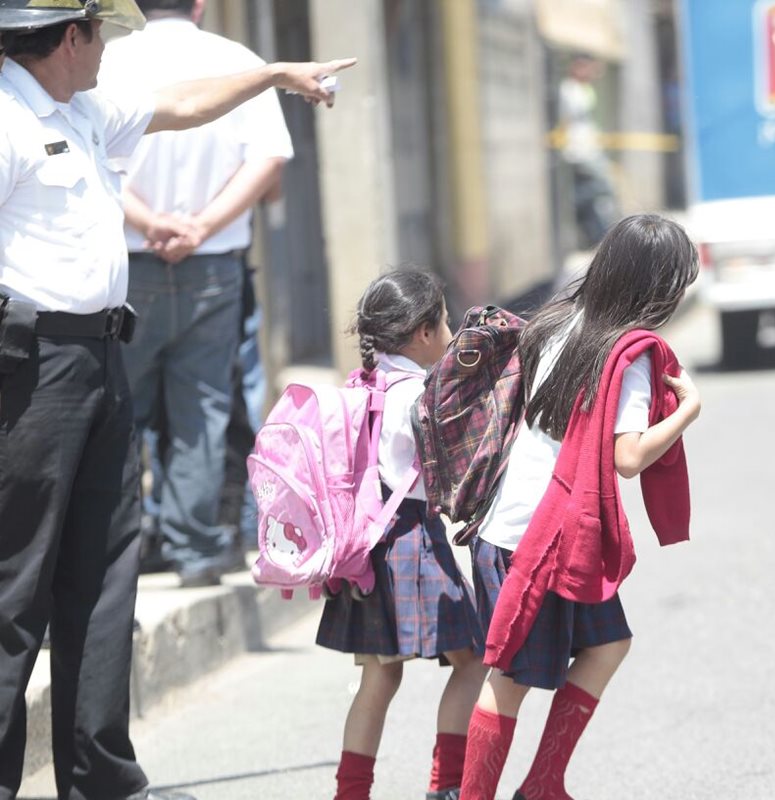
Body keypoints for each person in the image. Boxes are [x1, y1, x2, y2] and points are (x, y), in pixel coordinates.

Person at [0, 0, 353, 795]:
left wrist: (270, 74)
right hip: (28, 369)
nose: (107, 52)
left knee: (102, 580)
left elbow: (186, 103)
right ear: (69, 37)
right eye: (100, 34)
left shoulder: (80, 107)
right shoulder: (6, 120)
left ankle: (100, 777)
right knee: (16, 588)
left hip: (98, 358)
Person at [458, 214, 701, 800]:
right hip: (542, 537)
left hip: (519, 523)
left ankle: (544, 784)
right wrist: (689, 407)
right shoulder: (628, 353)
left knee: (607, 643)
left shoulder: (559, 321)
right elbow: (629, 457)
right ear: (656, 286)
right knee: (510, 678)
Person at [97, 0, 295, 587]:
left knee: (118, 411)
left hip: (130, 261)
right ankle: (196, 547)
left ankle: (120, 551)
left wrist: (151, 222)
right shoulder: (238, 60)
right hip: (214, 262)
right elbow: (269, 157)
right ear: (201, 5)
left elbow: (93, 155)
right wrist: (202, 226)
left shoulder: (107, 59)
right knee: (202, 406)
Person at [316, 269, 488, 800]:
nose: (450, 329)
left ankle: (351, 793)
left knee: (379, 678)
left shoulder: (364, 384)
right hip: (412, 543)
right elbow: (441, 473)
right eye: (443, 321)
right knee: (473, 661)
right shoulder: (419, 394)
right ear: (421, 332)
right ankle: (447, 786)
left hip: (366, 547)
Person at [558, 54, 617, 248]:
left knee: (596, 194)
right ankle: (601, 234)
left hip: (589, 149)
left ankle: (598, 233)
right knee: (602, 189)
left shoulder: (585, 89)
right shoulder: (568, 90)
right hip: (578, 151)